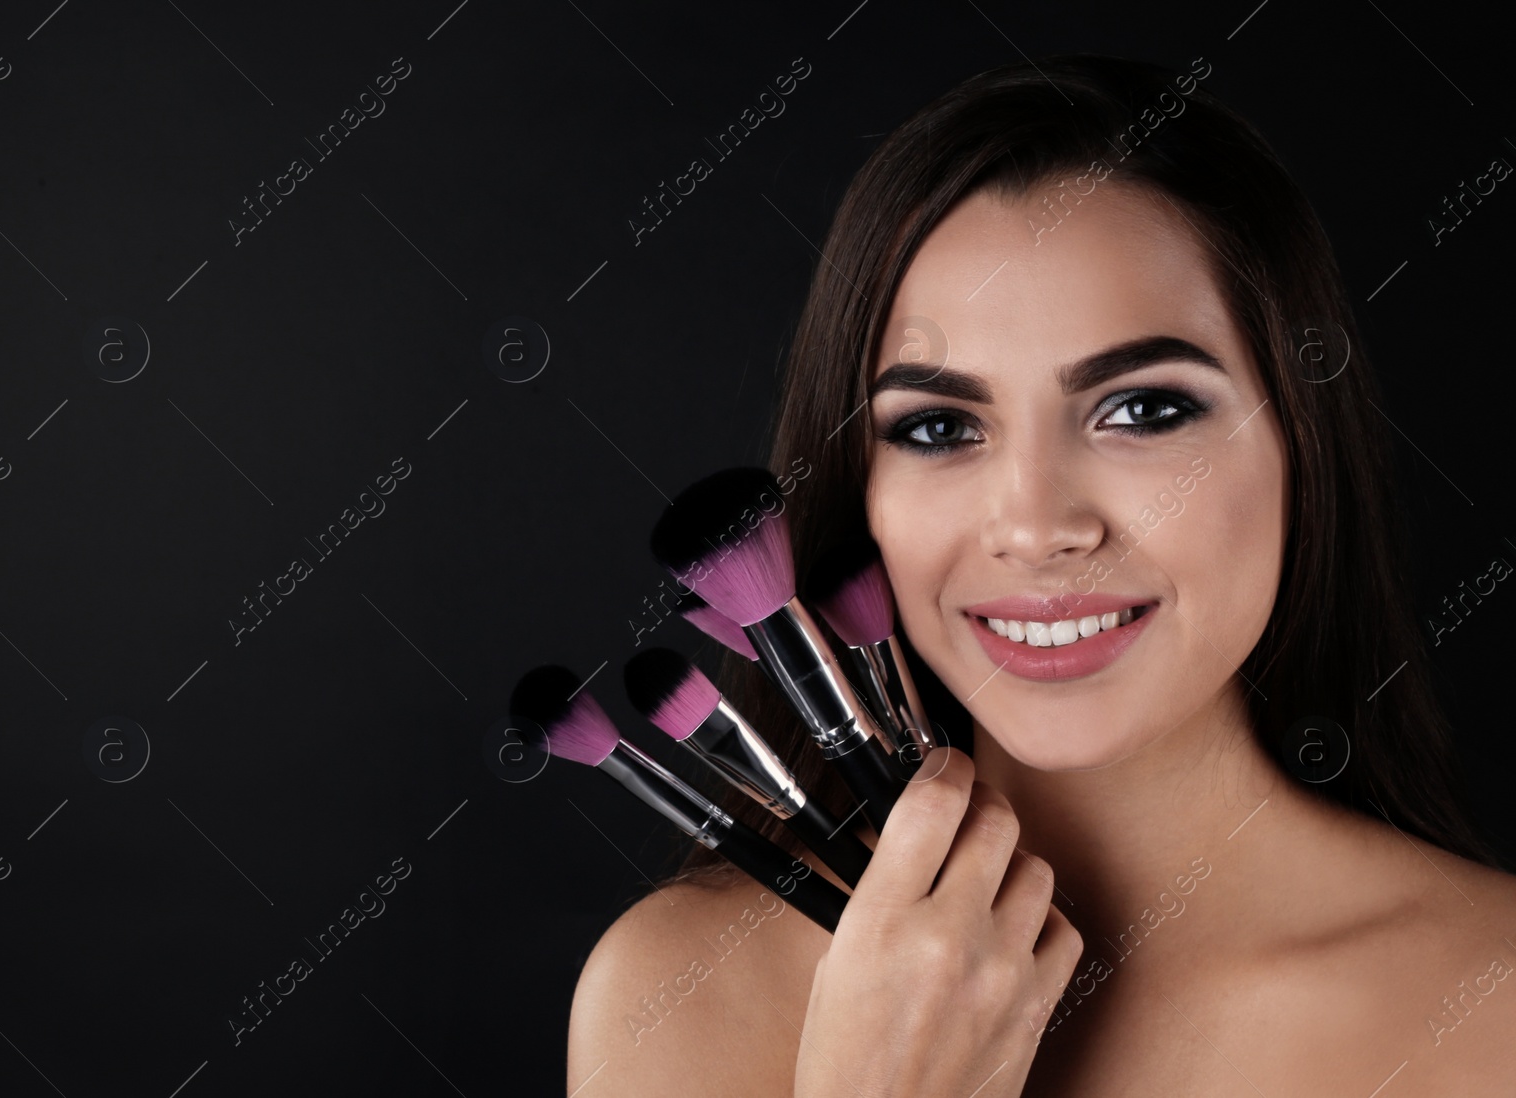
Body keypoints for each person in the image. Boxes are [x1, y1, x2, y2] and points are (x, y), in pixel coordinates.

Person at [566, 53, 1516, 1095]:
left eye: (1143, 411)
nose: (1033, 525)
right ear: (860, 491)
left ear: (1301, 441)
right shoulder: (681, 994)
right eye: (937, 426)